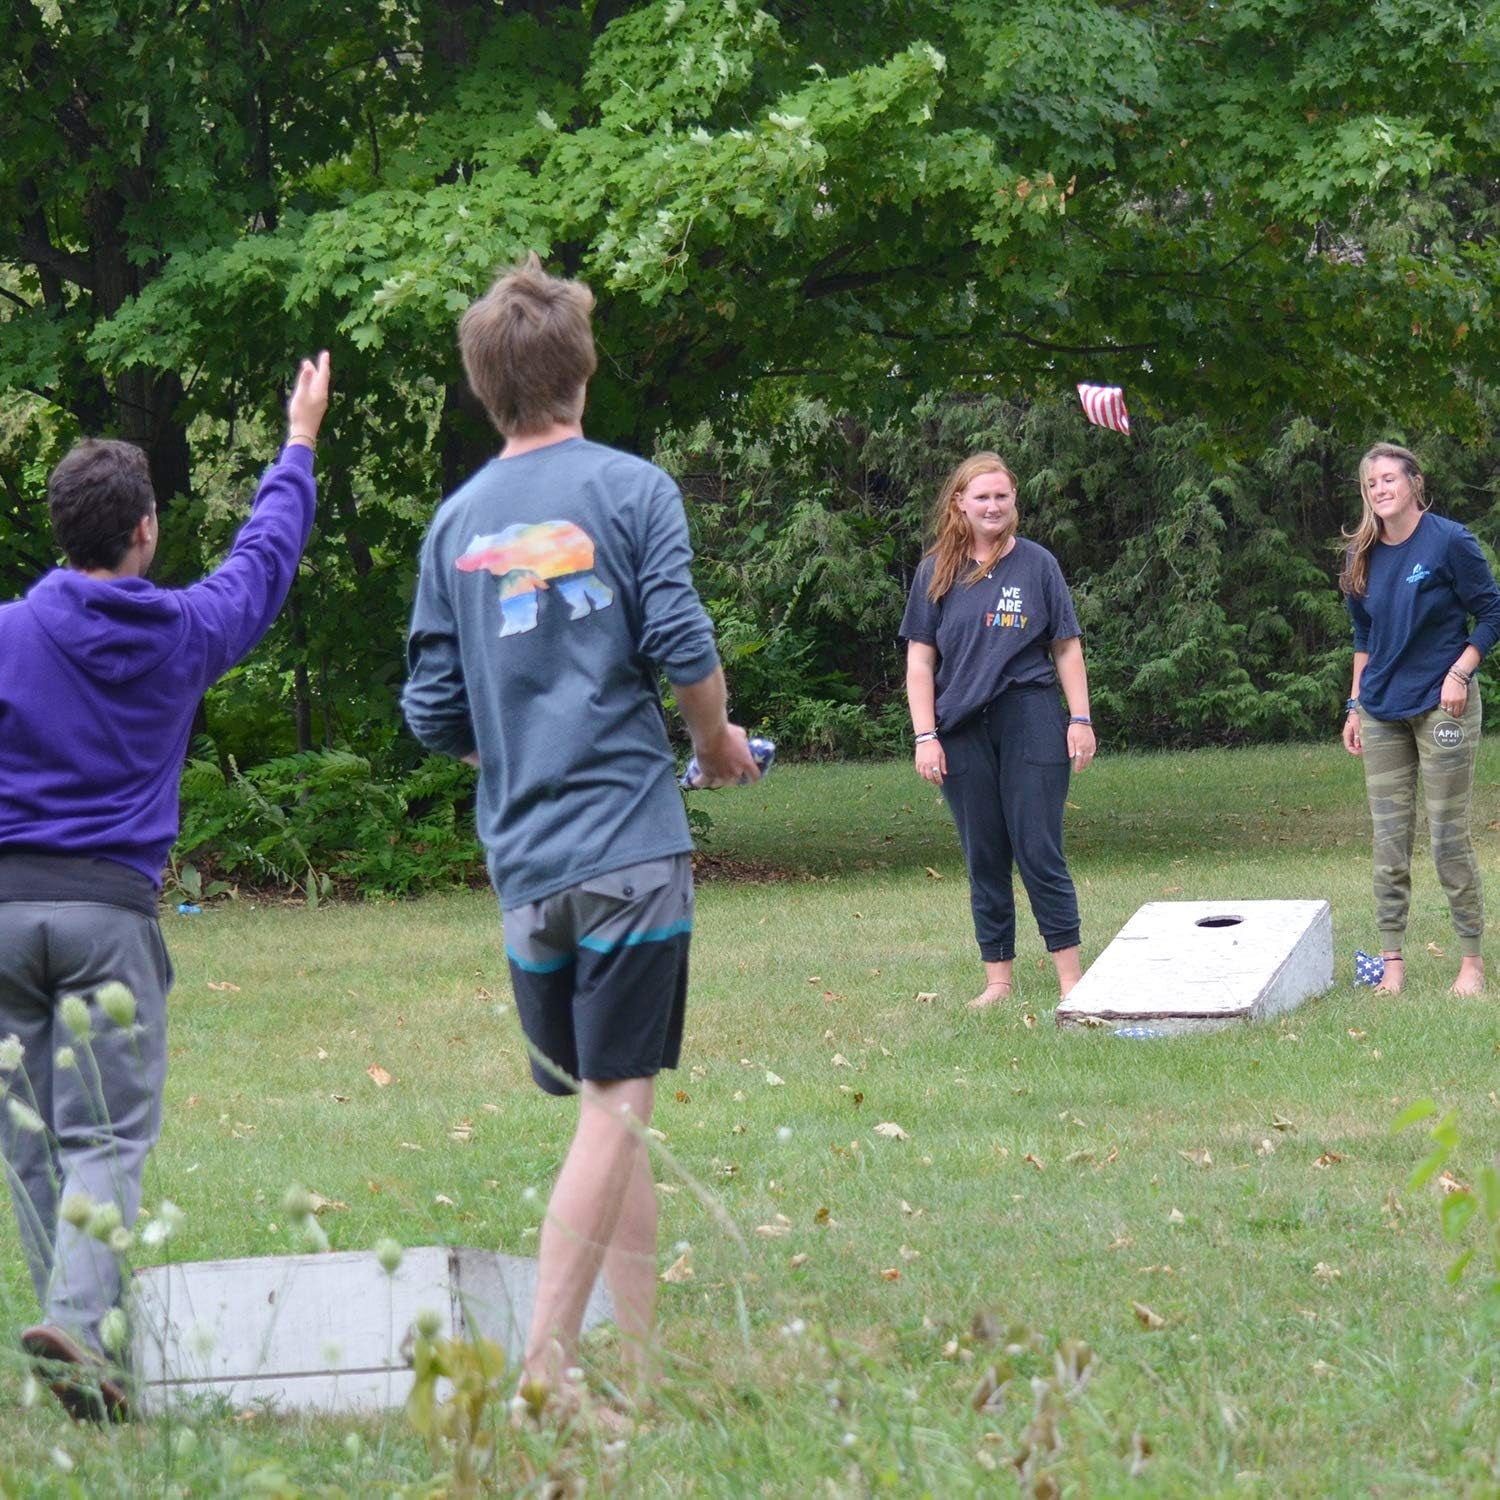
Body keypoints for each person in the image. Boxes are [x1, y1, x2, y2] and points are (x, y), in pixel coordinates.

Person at [401, 254, 759, 1422]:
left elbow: (432, 713)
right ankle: (547, 1366)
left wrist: (513, 746)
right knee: (616, 1109)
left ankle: (640, 1371)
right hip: (627, 846)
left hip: (524, 867)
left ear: (482, 384)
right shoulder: (633, 489)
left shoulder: (453, 522)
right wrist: (712, 744)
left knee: (618, 1103)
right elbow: (681, 640)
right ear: (584, 369)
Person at [0, 353, 331, 1420]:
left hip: (4, 920)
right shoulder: (183, 632)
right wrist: (298, 441)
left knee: (33, 1139)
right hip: (105, 922)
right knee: (103, 1140)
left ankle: (81, 1342)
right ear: (143, 532)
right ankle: (81, 1325)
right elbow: (265, 557)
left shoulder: (7, 636)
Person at [900, 452, 1096, 1008]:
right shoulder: (935, 570)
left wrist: (1079, 720)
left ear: (1014, 503)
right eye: (981, 496)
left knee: (1038, 848)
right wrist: (924, 735)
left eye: (1001, 497)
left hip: (1029, 717)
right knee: (984, 855)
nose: (992, 506)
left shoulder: (1037, 565)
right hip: (958, 728)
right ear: (959, 502)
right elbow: (920, 664)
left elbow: (1066, 646)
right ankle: (998, 983)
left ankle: (1070, 981)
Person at [1339, 442, 1500, 996]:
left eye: (1389, 479)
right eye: (1370, 484)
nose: (1380, 490)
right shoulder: (1362, 554)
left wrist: (1460, 672)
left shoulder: (1449, 542)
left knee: (1447, 837)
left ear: (1414, 483)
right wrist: (1355, 706)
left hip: (1442, 706)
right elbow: (1364, 637)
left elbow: (1493, 610)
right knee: (1389, 841)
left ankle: (1472, 965)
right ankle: (1393, 965)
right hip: (1382, 711)